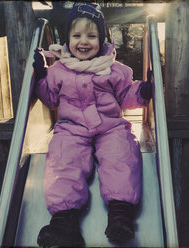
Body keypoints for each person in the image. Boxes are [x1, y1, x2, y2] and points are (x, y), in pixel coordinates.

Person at [33, 2, 152, 247]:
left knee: (122, 152)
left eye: (91, 35)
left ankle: (121, 214)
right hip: (71, 128)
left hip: (109, 126)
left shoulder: (114, 70)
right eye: (76, 35)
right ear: (67, 39)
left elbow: (125, 95)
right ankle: (65, 222)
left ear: (102, 38)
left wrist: (142, 91)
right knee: (63, 158)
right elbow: (50, 98)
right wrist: (41, 75)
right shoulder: (59, 71)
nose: (83, 41)